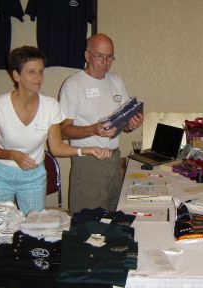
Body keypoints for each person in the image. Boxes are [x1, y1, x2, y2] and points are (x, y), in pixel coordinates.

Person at [0, 46, 111, 216]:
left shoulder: (51, 106)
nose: (39, 78)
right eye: (32, 72)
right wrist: (13, 155)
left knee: (33, 227)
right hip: (0, 174)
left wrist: (87, 150)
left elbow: (56, 147)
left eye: (41, 72)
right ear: (16, 75)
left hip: (33, 175)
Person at [59, 33, 143, 214]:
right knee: (88, 222)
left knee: (114, 217)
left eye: (110, 57)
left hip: (114, 158)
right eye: (100, 57)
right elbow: (63, 131)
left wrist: (132, 123)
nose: (106, 62)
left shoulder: (116, 80)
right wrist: (93, 130)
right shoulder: (73, 85)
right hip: (89, 162)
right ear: (87, 56)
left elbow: (124, 124)